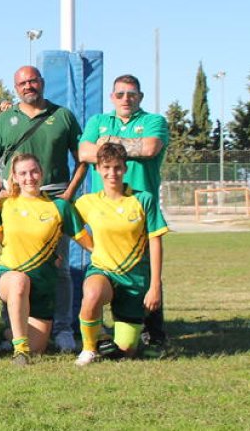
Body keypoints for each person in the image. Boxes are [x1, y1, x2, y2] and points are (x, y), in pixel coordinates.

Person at [0, 66, 87, 352]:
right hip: (17, 198)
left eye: (32, 80)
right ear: (15, 88)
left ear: (41, 82)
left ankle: (64, 327)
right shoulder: (6, 119)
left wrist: (67, 194)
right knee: (16, 264)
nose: (28, 86)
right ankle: (9, 326)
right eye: (22, 83)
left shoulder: (63, 115)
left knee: (60, 267)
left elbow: (82, 159)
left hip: (52, 198)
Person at [77, 74, 170, 355]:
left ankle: (154, 333)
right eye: (120, 94)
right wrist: (130, 145)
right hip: (105, 209)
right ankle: (98, 332)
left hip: (139, 204)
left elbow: (151, 147)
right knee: (103, 269)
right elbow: (84, 151)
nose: (126, 99)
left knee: (143, 266)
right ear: (111, 97)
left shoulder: (155, 121)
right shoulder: (97, 121)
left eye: (131, 94)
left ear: (140, 97)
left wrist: (107, 145)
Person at [73, 143, 168, 365]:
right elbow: (71, 226)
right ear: (97, 168)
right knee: (93, 294)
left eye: (117, 167)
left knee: (124, 353)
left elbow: (155, 241)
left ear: (125, 168)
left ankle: (107, 337)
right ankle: (88, 349)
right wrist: (92, 248)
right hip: (103, 271)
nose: (111, 173)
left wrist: (154, 287)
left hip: (135, 279)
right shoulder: (87, 202)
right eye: (106, 167)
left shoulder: (143, 200)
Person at [0, 153, 83, 365]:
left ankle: (0, 329)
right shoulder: (5, 204)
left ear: (42, 173)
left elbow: (87, 242)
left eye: (33, 171)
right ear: (14, 176)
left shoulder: (58, 207)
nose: (29, 177)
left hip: (42, 284)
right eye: (22, 173)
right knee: (19, 281)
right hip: (8, 276)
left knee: (38, 347)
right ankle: (20, 351)